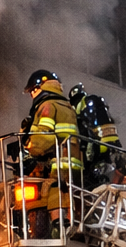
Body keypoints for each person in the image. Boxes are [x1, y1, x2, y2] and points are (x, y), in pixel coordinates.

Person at [19, 70, 82, 235]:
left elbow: (43, 137)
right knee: (69, 190)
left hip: (59, 160)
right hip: (74, 158)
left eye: (32, 92)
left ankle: (58, 226)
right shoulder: (67, 106)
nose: (32, 96)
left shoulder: (47, 106)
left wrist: (29, 149)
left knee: (54, 188)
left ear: (38, 89)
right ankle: (70, 223)